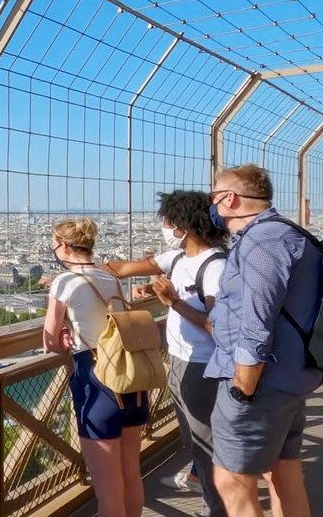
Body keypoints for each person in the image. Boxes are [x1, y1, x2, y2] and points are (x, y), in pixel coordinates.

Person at [100, 191, 228, 517]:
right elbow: (124, 269)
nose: (165, 228)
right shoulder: (178, 259)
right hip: (179, 360)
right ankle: (207, 490)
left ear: (185, 225)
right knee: (195, 439)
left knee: (207, 443)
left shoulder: (216, 267)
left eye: (169, 222)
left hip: (204, 366)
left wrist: (173, 303)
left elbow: (218, 328)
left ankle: (218, 508)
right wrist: (83, 266)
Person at [206, 164, 323, 517]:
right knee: (283, 472)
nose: (211, 206)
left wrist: (244, 386)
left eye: (214, 197)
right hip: (288, 376)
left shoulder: (262, 240)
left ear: (230, 199)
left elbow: (256, 318)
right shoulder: (286, 232)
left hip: (261, 383)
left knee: (231, 480)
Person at [43, 218, 146, 517]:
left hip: (96, 381)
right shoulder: (109, 279)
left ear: (63, 246)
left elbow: (49, 341)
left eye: (53, 245)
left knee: (107, 488)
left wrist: (63, 327)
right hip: (130, 377)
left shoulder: (64, 282)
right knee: (131, 474)